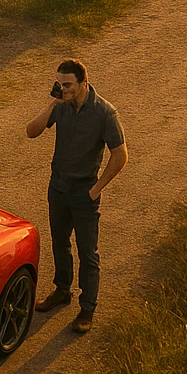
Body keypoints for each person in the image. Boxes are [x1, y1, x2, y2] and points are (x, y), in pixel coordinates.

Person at [26, 58, 127, 334]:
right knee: (60, 242)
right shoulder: (62, 106)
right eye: (59, 84)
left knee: (87, 253)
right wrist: (51, 105)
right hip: (58, 188)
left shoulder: (105, 113)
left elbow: (120, 155)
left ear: (84, 82)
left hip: (84, 192)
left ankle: (87, 309)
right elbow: (31, 132)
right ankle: (62, 290)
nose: (63, 88)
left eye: (68, 84)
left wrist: (96, 189)